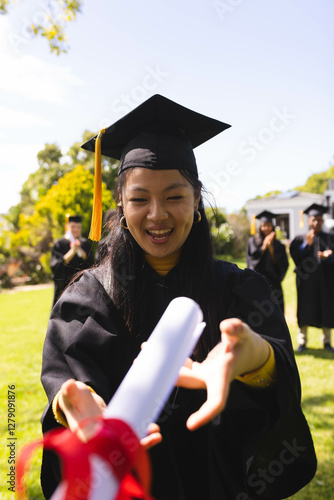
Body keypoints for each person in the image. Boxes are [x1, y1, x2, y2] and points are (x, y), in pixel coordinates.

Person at [41, 95, 316, 500]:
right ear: (119, 202)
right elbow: (70, 381)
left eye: (174, 196)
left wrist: (256, 357)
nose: (157, 214)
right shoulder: (87, 299)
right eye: (139, 199)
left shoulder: (240, 289)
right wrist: (69, 403)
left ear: (197, 198)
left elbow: (279, 394)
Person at [290, 203, 334, 353]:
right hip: (306, 283)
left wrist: (329, 256)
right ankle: (302, 341)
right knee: (304, 309)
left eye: (319, 219)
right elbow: (295, 258)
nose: (316, 223)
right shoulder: (300, 239)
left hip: (326, 283)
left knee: (327, 308)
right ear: (308, 220)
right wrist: (306, 246)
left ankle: (327, 342)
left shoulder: (330, 238)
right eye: (314, 219)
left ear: (323, 220)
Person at [246, 210, 289, 313]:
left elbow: (284, 265)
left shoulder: (279, 245)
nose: (266, 228)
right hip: (258, 283)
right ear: (260, 227)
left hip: (274, 285)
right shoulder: (252, 242)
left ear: (273, 226)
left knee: (276, 312)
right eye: (263, 225)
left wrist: (272, 251)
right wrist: (263, 248)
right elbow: (251, 262)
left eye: (268, 225)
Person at [50, 215, 94, 306]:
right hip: (65, 285)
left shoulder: (84, 243)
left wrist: (80, 249)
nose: (76, 229)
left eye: (78, 227)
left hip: (82, 285)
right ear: (67, 227)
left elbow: (91, 262)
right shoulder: (60, 244)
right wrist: (73, 250)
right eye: (73, 226)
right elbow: (56, 265)